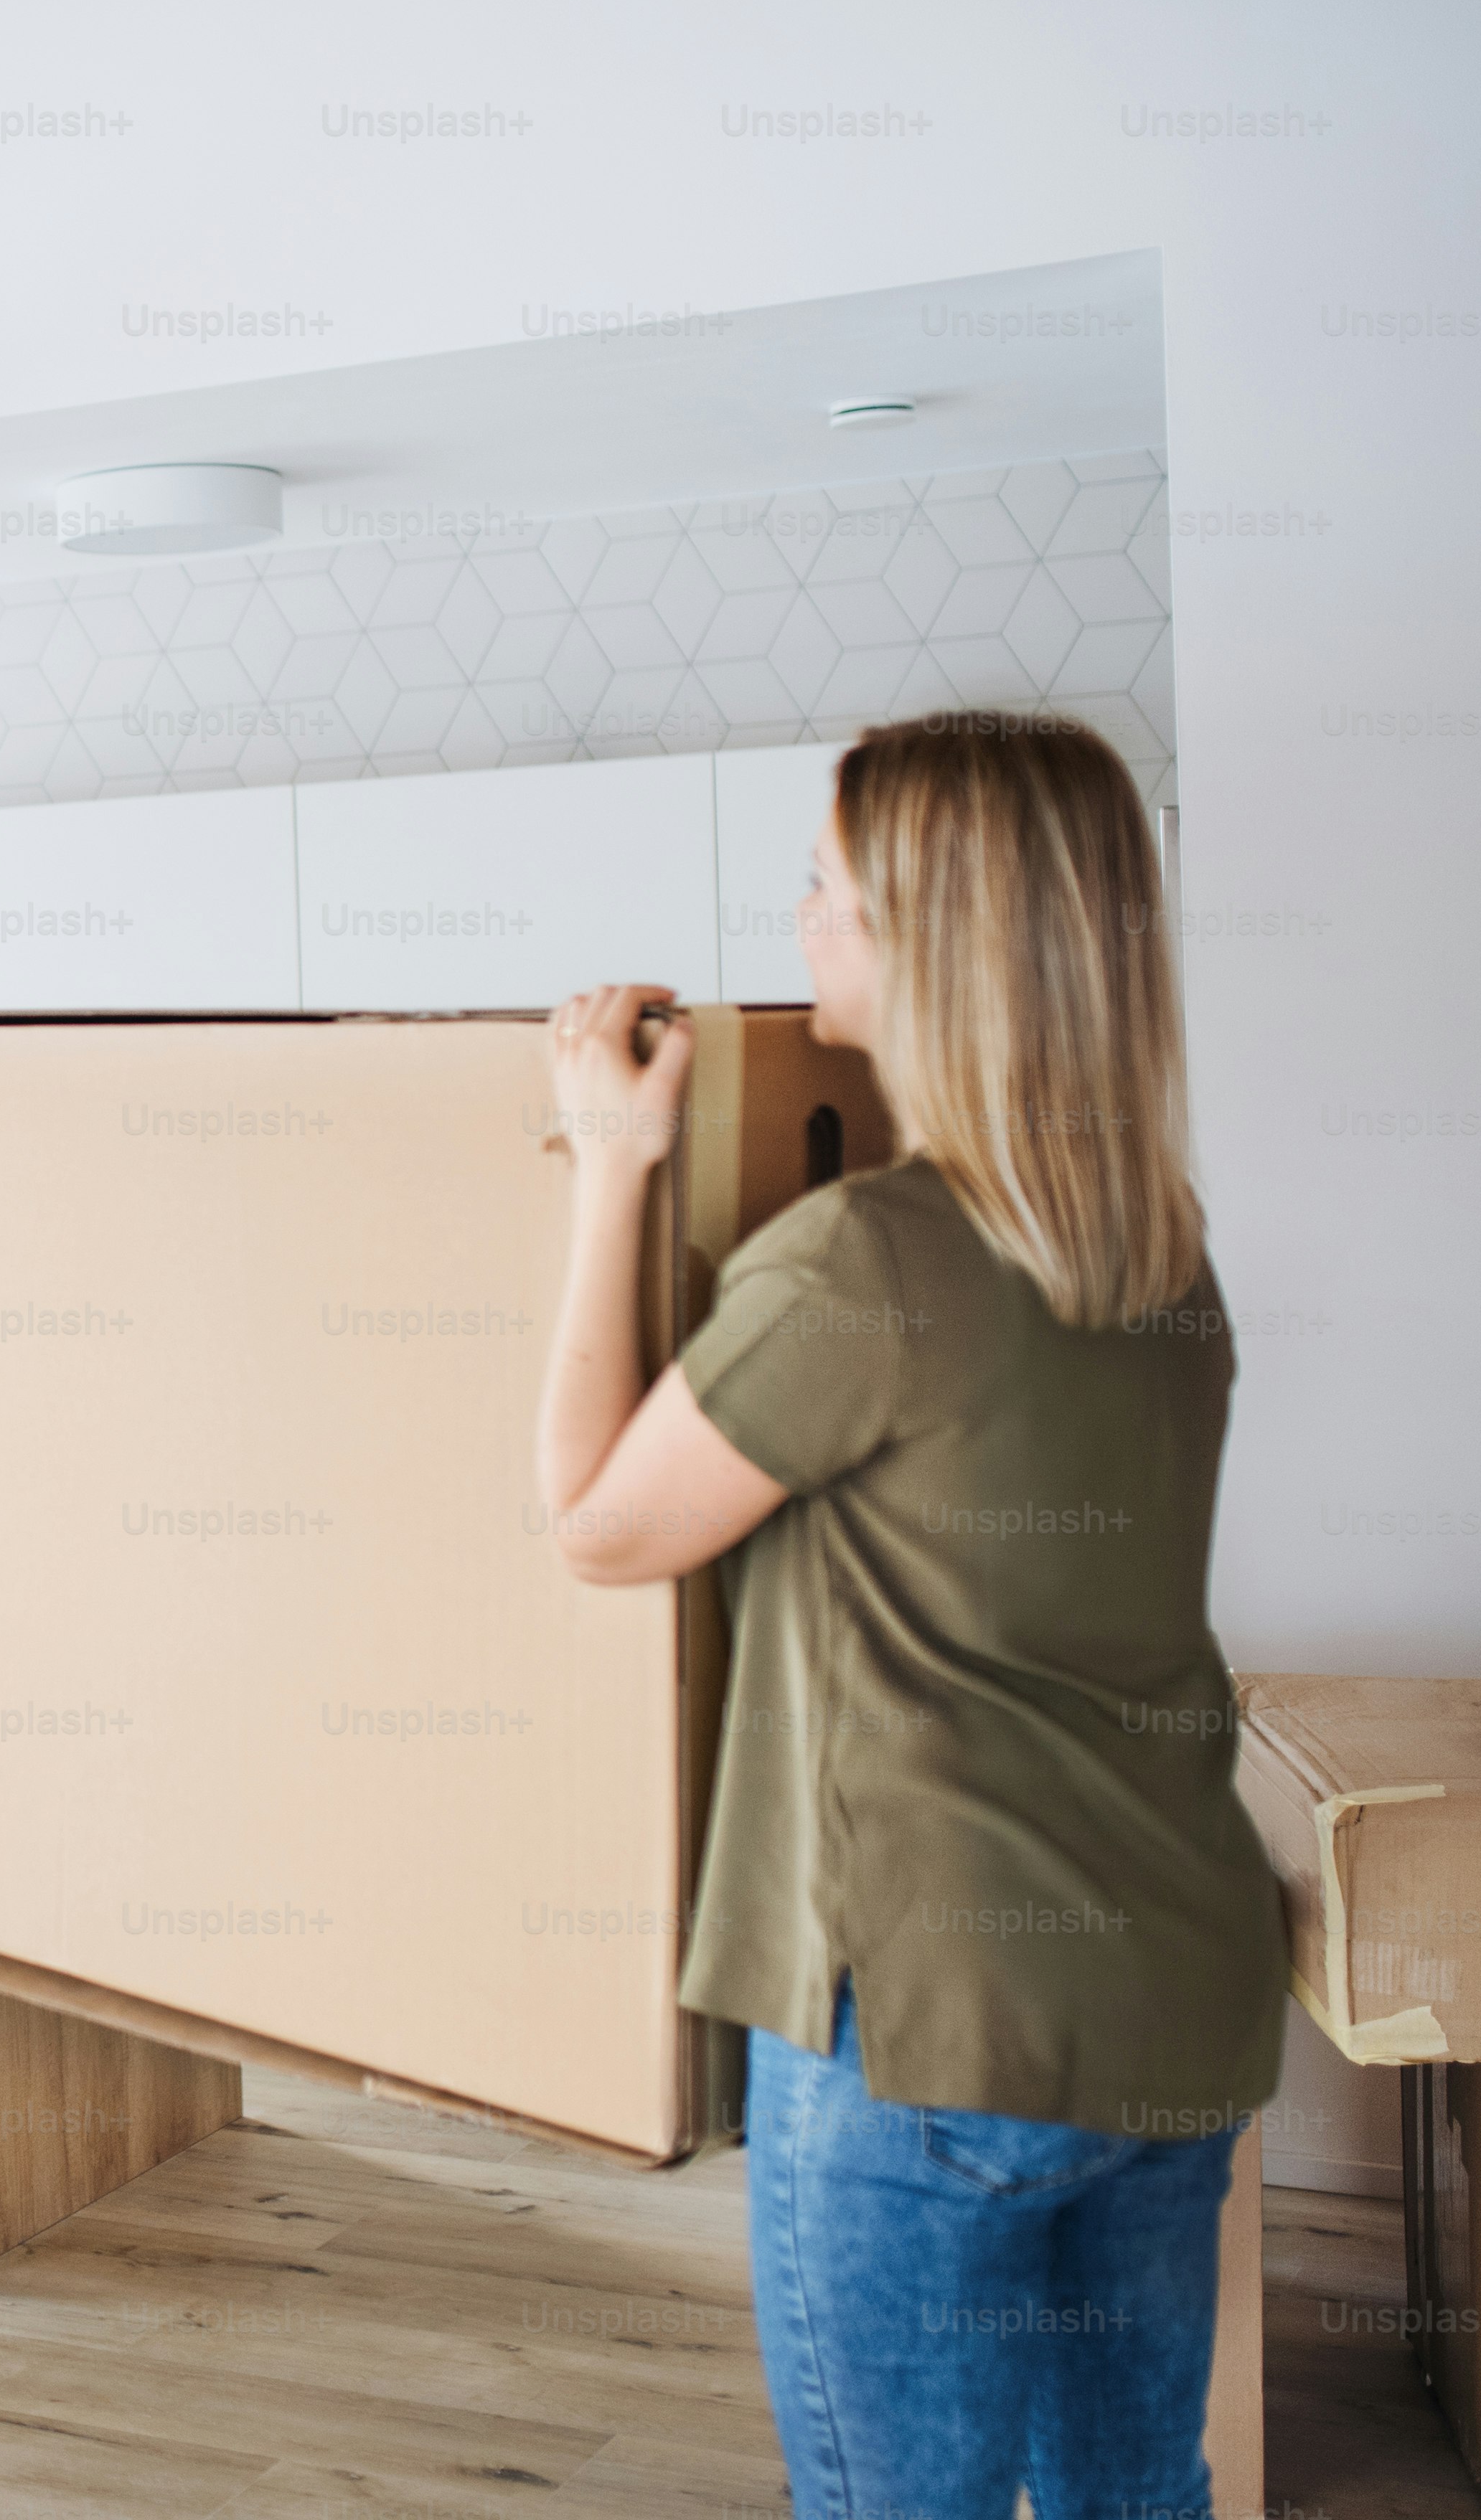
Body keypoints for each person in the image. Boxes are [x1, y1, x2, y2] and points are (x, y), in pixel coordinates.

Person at [530, 711, 1283, 2517]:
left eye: (827, 885)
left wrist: (606, 1170)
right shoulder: (1156, 1243)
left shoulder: (866, 1259)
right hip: (1166, 1997)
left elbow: (594, 1526)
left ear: (929, 938)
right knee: (1132, 2498)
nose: (797, 918)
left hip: (932, 2031)